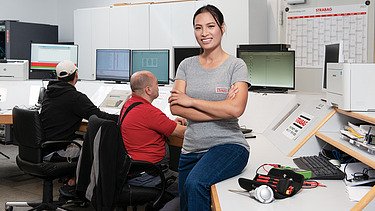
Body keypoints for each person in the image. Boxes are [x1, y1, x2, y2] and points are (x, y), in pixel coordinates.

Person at [168, 4, 250, 211]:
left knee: (196, 184)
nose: (204, 33)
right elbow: (176, 107)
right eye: (198, 27)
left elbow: (236, 110)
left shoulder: (236, 66)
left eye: (211, 26)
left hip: (228, 146)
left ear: (222, 28)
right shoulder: (186, 65)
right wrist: (222, 107)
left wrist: (192, 101)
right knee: (186, 203)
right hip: (191, 149)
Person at [40, 60, 118, 192]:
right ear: (76, 75)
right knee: (96, 147)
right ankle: (80, 187)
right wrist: (123, 117)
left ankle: (73, 179)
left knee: (84, 140)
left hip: (44, 148)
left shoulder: (49, 93)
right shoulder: (75, 97)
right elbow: (97, 116)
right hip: (57, 150)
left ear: (58, 77)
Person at [119, 70, 186, 210]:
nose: (159, 87)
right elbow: (183, 133)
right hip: (152, 175)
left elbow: (150, 124)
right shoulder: (148, 112)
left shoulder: (128, 104)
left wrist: (170, 123)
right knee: (191, 187)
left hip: (134, 171)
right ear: (148, 89)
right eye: (157, 84)